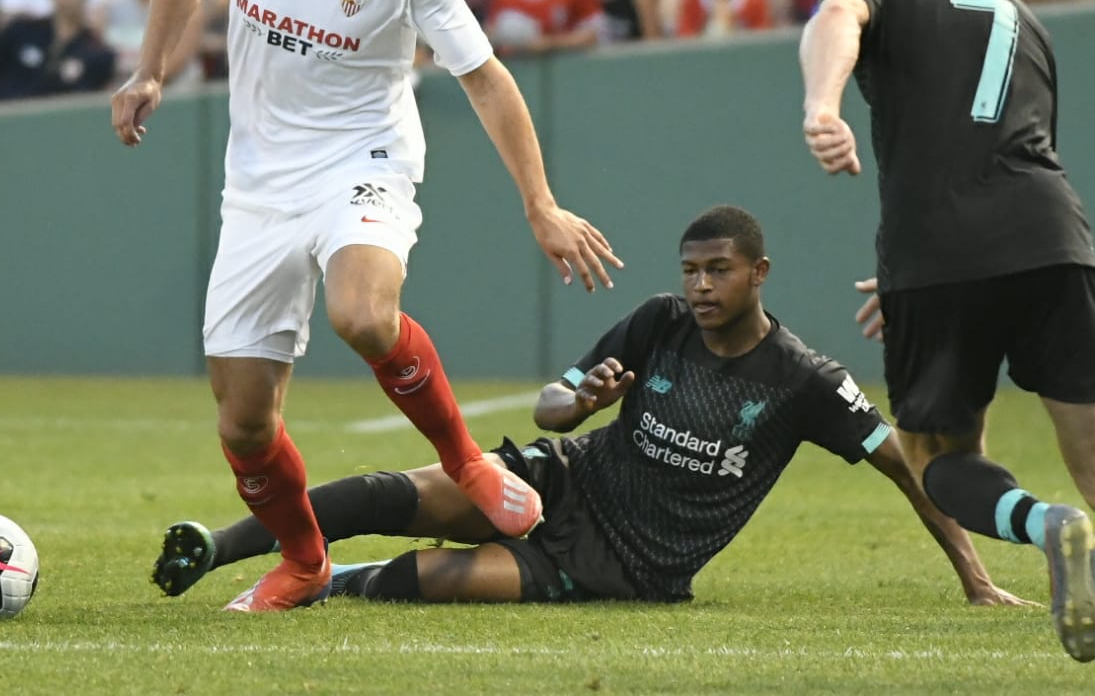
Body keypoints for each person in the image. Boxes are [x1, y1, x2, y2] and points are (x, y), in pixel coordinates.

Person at [111, 0, 620, 614]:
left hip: (363, 160)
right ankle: (305, 564)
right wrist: (149, 70)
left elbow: (486, 80)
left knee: (362, 314)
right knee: (242, 424)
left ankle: (464, 462)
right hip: (259, 188)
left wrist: (539, 202)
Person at [152, 206, 1022, 610]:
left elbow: (907, 472)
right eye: (691, 269)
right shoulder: (658, 322)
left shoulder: (803, 378)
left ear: (758, 273)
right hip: (562, 482)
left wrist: (974, 577)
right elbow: (552, 406)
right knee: (391, 492)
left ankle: (330, 584)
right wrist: (581, 398)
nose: (700, 285)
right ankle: (217, 548)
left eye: (717, 270)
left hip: (626, 564)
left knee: (425, 582)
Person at [800, 0, 1095, 662]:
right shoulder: (1022, 15)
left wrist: (821, 107)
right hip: (1053, 234)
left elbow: (836, 20)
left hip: (937, 249)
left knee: (936, 458)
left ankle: (1050, 526)